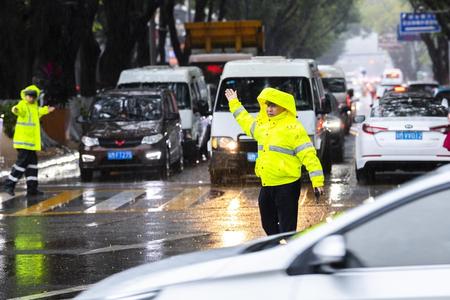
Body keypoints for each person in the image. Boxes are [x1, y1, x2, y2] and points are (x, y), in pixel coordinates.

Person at [225, 87, 325, 235]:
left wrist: (317, 182)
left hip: (287, 186)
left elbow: (309, 155)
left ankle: (285, 251)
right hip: (267, 185)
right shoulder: (263, 126)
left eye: (273, 106)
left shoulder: (293, 128)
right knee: (268, 224)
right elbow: (245, 120)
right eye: (267, 106)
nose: (269, 109)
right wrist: (234, 103)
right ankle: (279, 247)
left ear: (283, 107)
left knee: (287, 229)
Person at [2, 85, 55, 196]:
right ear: (25, 96)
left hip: (30, 144)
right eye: (28, 96)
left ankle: (32, 189)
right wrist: (15, 110)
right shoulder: (23, 105)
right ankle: (9, 185)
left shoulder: (34, 108)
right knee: (21, 164)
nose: (30, 98)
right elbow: (17, 109)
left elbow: (39, 111)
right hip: (23, 142)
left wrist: (47, 110)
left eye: (32, 96)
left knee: (32, 165)